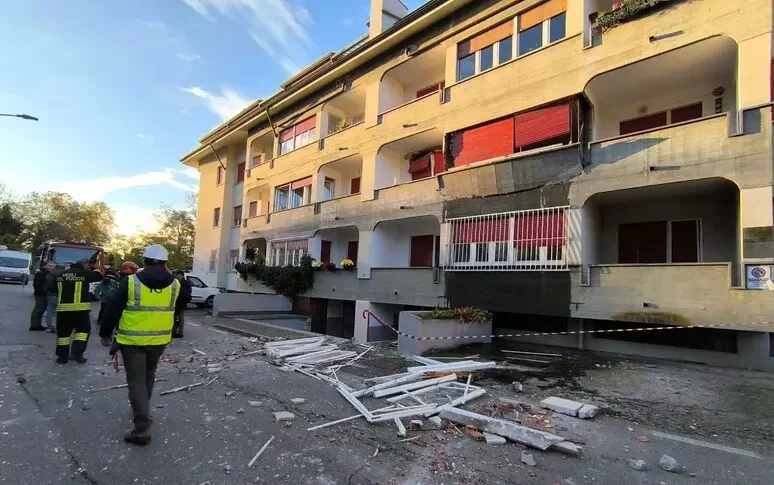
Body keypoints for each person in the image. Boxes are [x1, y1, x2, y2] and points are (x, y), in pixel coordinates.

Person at [99, 244, 183, 445]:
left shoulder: (131, 282)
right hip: (160, 340)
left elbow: (113, 309)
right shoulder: (175, 284)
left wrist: (105, 333)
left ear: (144, 261)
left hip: (133, 341)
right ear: (165, 263)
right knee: (148, 375)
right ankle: (142, 408)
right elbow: (178, 308)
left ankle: (141, 427)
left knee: (136, 380)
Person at [53, 255, 104, 364]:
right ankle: (77, 354)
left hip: (63, 310)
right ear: (85, 265)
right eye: (88, 266)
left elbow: (53, 288)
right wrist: (94, 266)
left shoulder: (61, 274)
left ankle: (62, 357)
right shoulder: (84, 274)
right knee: (82, 332)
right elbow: (100, 275)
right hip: (80, 310)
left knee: (63, 335)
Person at [29, 262, 52, 331]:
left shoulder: (46, 273)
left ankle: (38, 324)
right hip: (41, 294)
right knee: (38, 309)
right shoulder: (40, 274)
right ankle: (34, 325)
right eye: (49, 265)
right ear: (44, 266)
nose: (51, 267)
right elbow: (37, 285)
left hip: (42, 294)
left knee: (41, 309)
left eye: (52, 266)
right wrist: (44, 291)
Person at [172, 270, 192, 338]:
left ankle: (179, 332)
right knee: (176, 317)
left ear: (182, 275)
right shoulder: (184, 282)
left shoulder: (183, 283)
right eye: (177, 275)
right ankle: (176, 331)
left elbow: (185, 293)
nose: (178, 276)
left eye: (179, 275)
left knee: (179, 317)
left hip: (180, 302)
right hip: (178, 302)